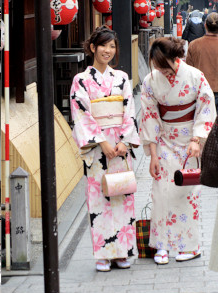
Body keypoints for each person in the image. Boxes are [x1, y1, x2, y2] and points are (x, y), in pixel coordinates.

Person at [140, 37, 216, 265]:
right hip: (164, 141)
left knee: (187, 196)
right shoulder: (150, 80)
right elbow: (149, 116)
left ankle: (190, 246)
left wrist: (197, 139)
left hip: (189, 144)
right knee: (161, 194)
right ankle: (161, 245)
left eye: (164, 65)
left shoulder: (194, 76)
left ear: (176, 59)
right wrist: (153, 154)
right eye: (156, 65)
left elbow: (206, 107)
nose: (161, 70)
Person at [70, 26, 140, 272]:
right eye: (104, 46)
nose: (108, 51)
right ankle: (102, 254)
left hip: (120, 147)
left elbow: (130, 111)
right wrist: (102, 141)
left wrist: (123, 141)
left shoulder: (121, 78)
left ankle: (122, 252)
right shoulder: (81, 80)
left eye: (112, 46)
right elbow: (81, 114)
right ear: (92, 48)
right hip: (98, 148)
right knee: (99, 201)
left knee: (123, 197)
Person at [186, 12, 218, 113]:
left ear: (205, 25)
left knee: (204, 124)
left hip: (201, 90)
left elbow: (188, 71)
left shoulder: (194, 45)